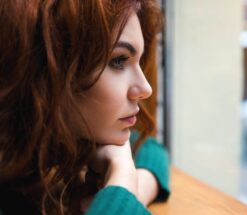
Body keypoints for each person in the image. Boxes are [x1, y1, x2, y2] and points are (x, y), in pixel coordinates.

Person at [0, 0, 170, 214]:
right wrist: (121, 185)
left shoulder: (61, 138)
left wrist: (134, 188)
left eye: (139, 60)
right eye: (119, 61)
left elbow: (149, 148)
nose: (145, 88)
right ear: (48, 70)